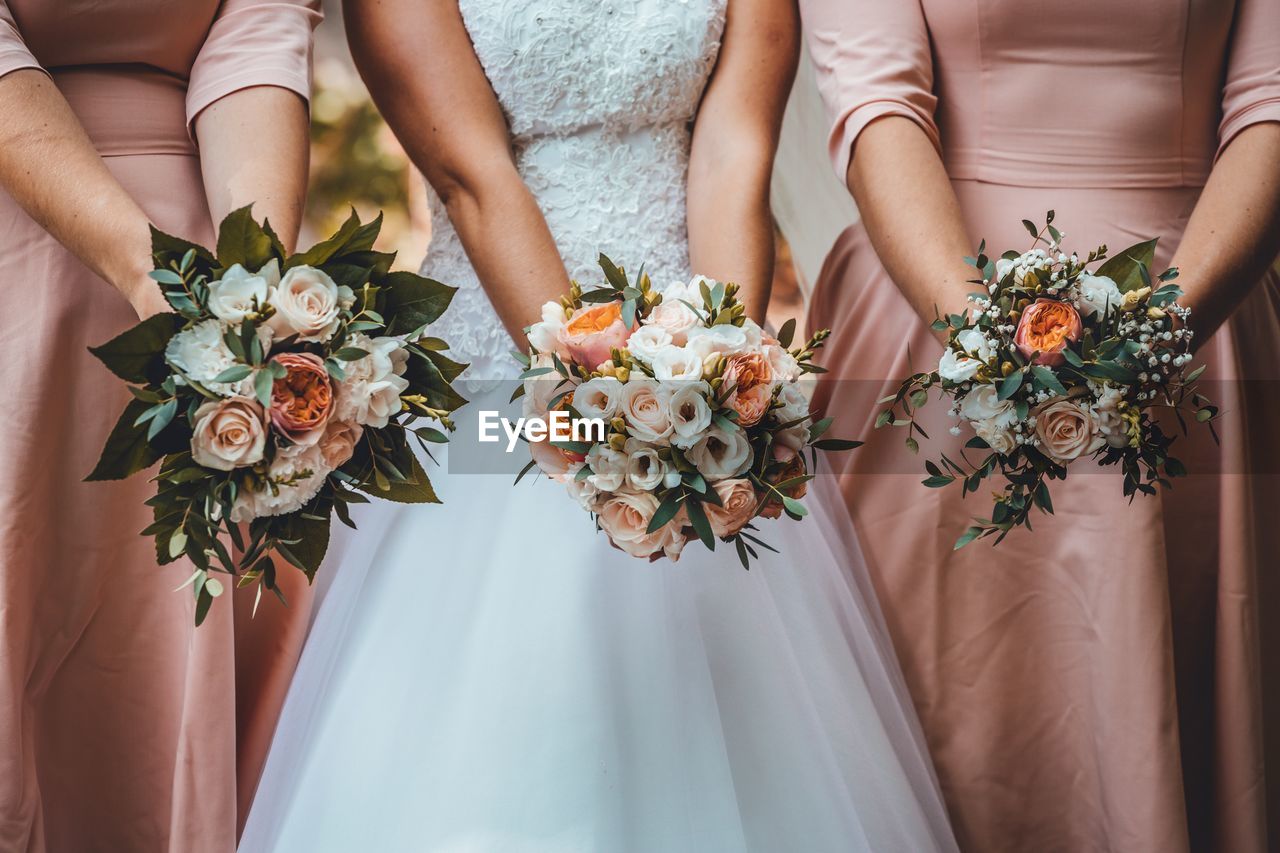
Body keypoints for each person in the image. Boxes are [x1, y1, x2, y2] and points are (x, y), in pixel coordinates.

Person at [240, 1, 958, 850]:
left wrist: (718, 371)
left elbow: (735, 152)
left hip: (690, 349)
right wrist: (602, 396)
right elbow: (475, 175)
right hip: (496, 378)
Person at [794, 0, 1280, 849]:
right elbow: (877, 103)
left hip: (1201, 309)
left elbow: (1270, 106)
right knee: (945, 711)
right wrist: (982, 345)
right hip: (933, 316)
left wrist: (1157, 335)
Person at [0, 1, 320, 849]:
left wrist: (251, 287)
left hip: (207, 217)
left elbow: (256, 38)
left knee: (184, 613)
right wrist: (152, 276)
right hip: (20, 243)